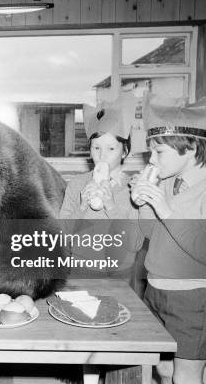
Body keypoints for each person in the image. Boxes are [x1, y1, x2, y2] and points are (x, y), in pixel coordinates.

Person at [131, 93, 206, 384]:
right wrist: (144, 202)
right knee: (164, 370)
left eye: (159, 152)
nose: (151, 159)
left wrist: (166, 210)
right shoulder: (168, 182)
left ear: (191, 147)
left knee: (186, 377)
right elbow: (150, 234)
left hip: (193, 298)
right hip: (156, 289)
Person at [59, 95, 145, 285]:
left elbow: (135, 243)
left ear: (125, 151)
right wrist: (81, 208)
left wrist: (111, 207)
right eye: (96, 147)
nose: (102, 155)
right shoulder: (76, 184)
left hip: (118, 273)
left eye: (111, 149)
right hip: (80, 269)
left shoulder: (135, 189)